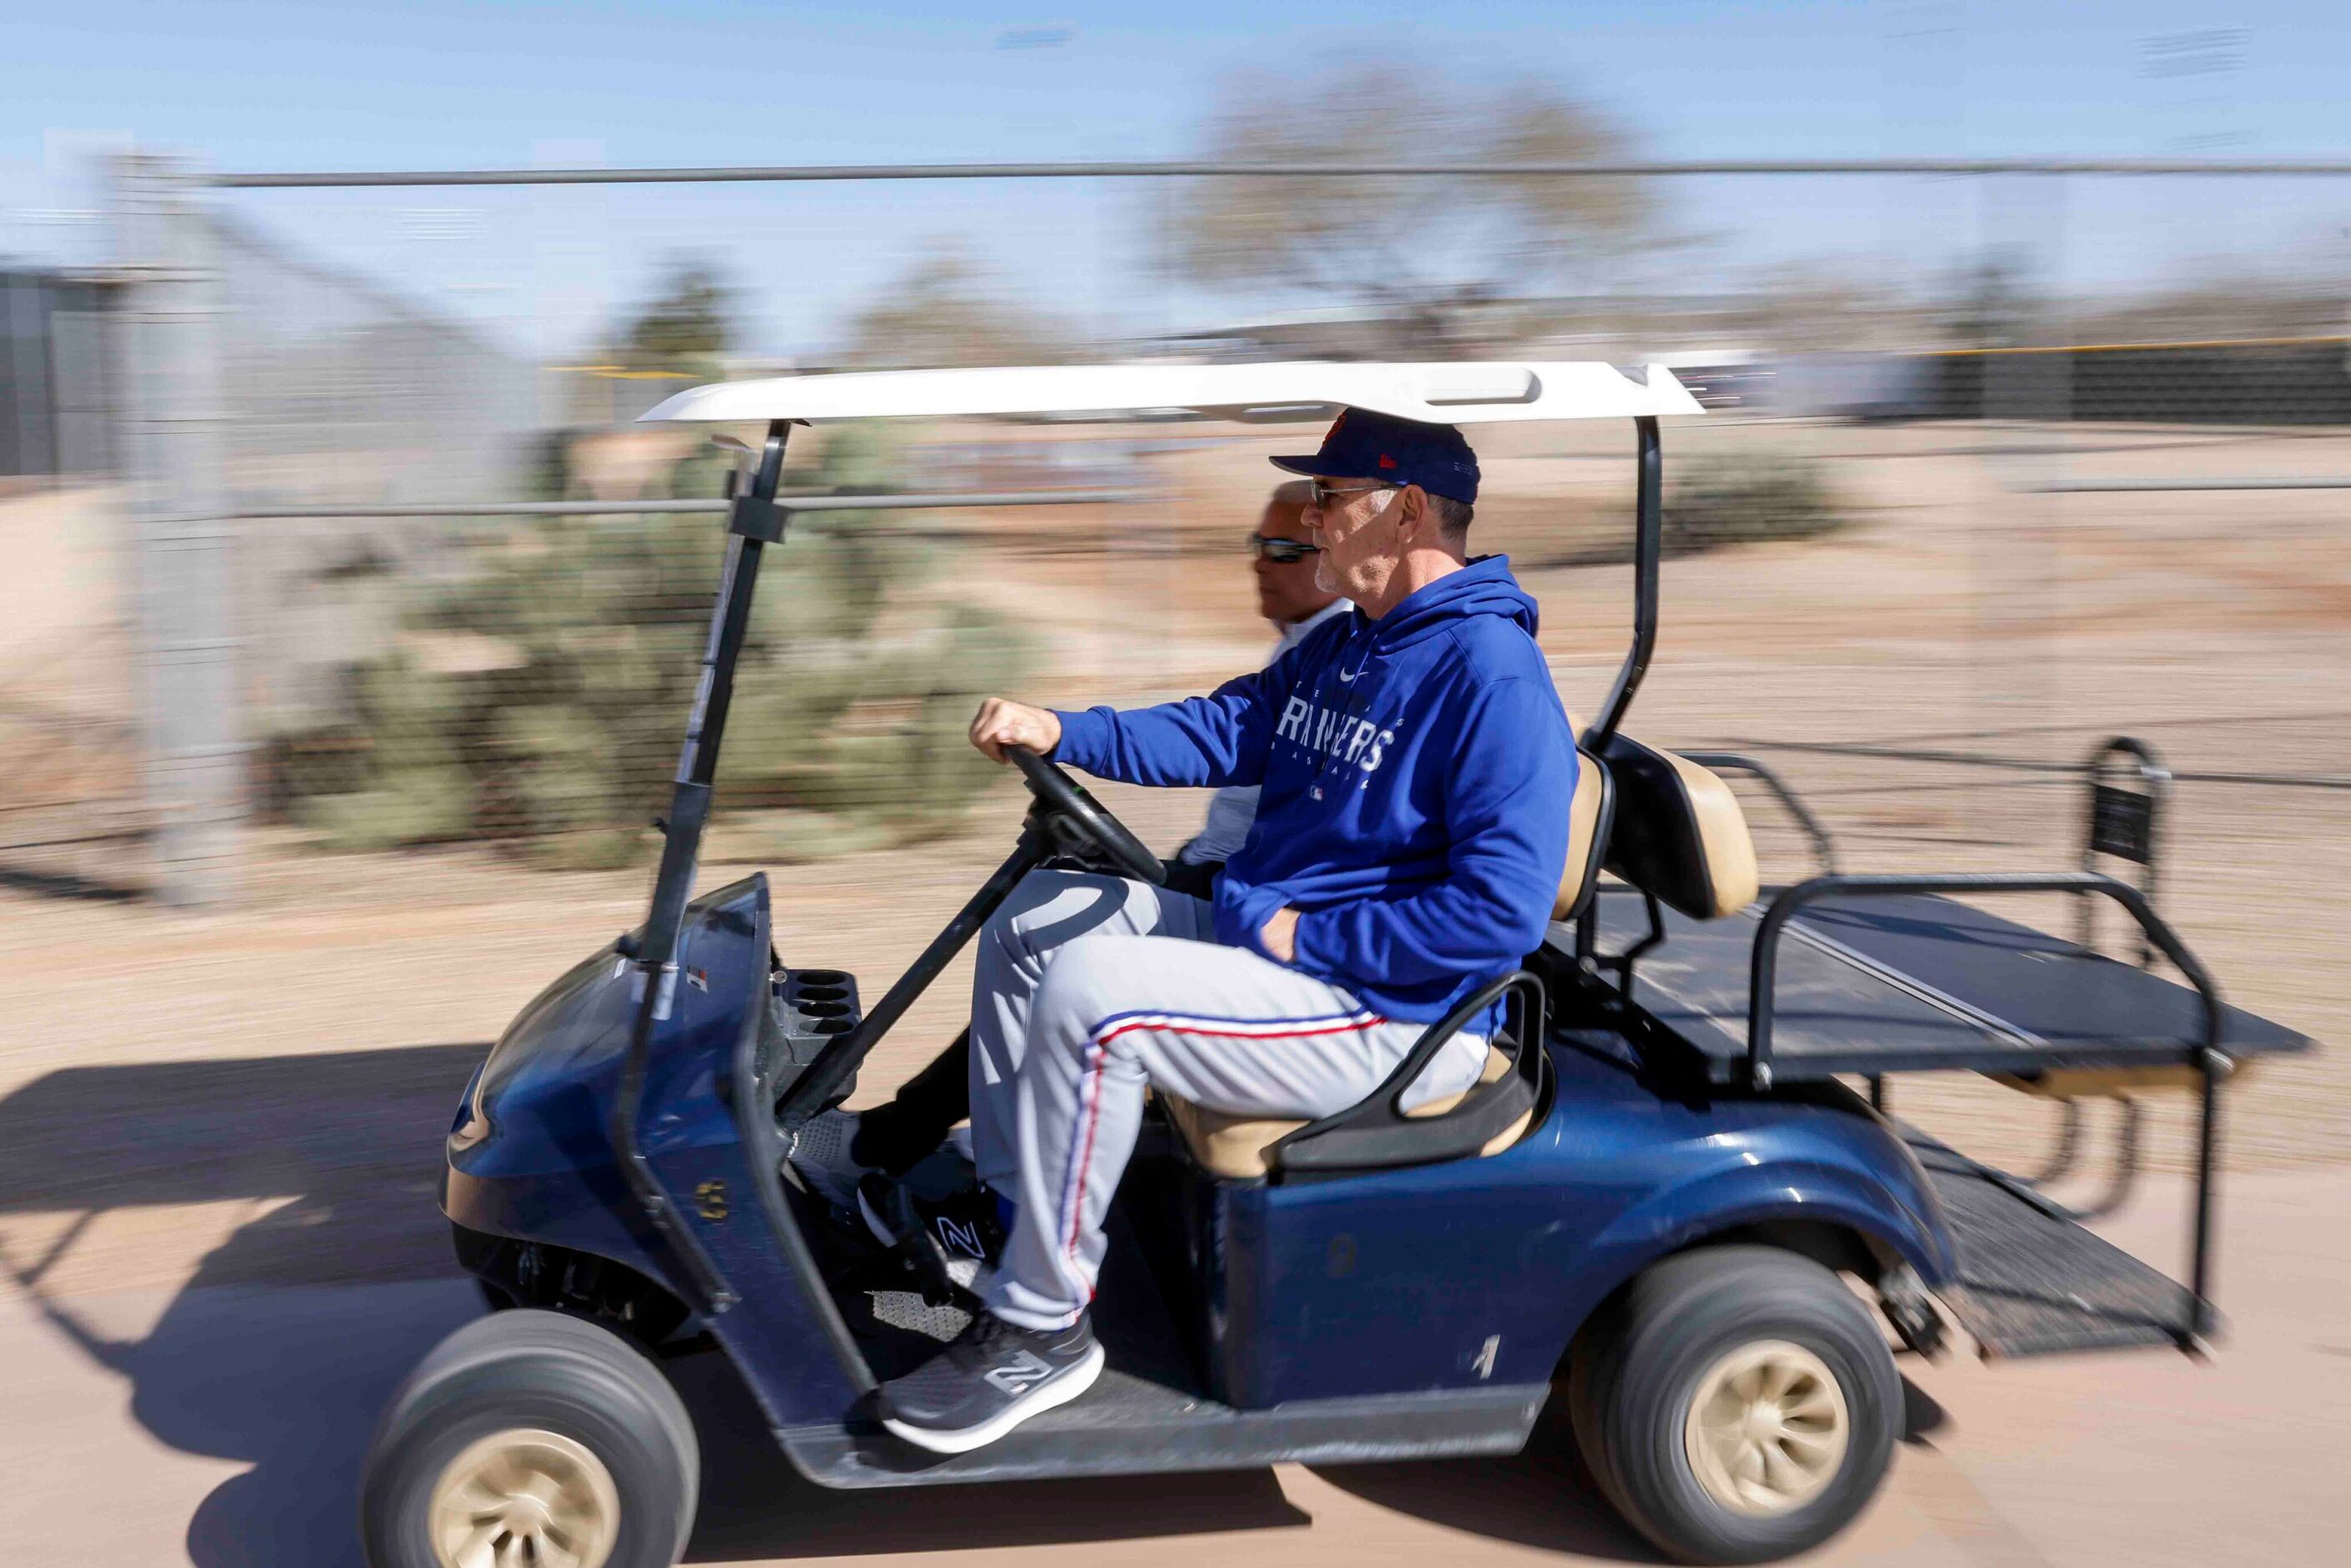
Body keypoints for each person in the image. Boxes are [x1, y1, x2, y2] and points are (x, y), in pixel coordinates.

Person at [870, 407, 1579, 1454]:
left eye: (1328, 499)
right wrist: (1060, 728)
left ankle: (1042, 1327)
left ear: (1408, 512)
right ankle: (1025, 1228)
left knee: (1097, 999)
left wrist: (1309, 943)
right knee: (1041, 919)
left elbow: (1497, 915)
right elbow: (1221, 728)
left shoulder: (1490, 680)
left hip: (1397, 1016)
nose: (1308, 519)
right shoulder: (1350, 644)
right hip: (1292, 957)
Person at [786, 482, 1345, 1203]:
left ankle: (948, 1168)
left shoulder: (1351, 659)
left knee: (1056, 943)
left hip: (1257, 903)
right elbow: (1206, 731)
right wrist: (1059, 730)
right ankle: (942, 1151)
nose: (1260, 564)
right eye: (1256, 546)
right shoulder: (1311, 652)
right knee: (1043, 898)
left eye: (1283, 550)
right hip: (1213, 873)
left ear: (1328, 555)